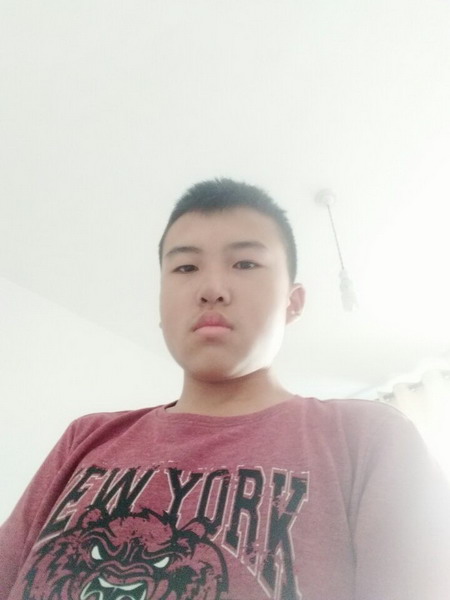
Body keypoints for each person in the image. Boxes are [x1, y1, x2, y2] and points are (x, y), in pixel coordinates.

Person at [1, 178, 449, 600]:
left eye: (245, 263)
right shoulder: (86, 437)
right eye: (185, 267)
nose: (211, 289)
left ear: (293, 302)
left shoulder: (369, 438)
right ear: (161, 304)